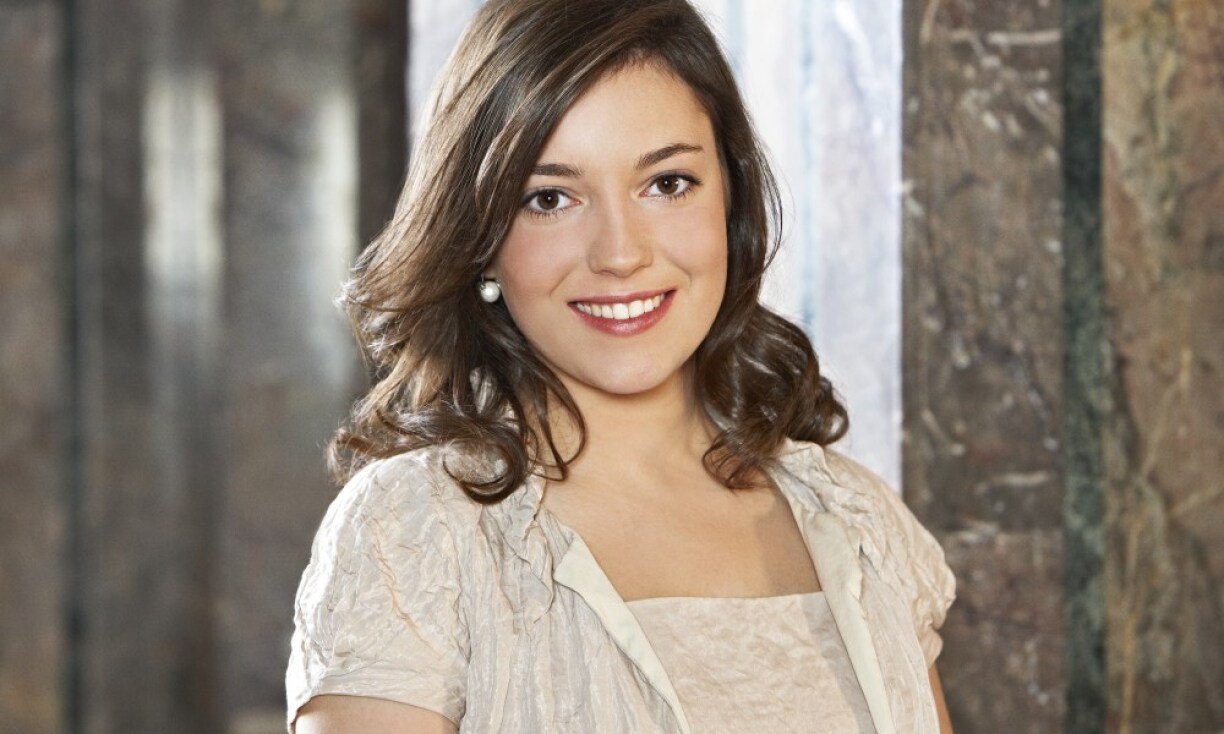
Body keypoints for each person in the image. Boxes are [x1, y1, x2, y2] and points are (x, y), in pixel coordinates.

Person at [286, 0, 956, 731]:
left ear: (730, 202)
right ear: (482, 240)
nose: (620, 254)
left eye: (666, 183)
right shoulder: (415, 537)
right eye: (550, 198)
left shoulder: (861, 523)